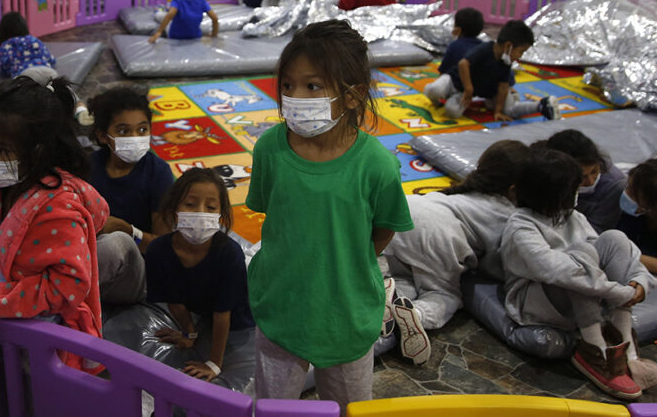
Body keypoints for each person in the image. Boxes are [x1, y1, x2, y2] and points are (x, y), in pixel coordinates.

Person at [246, 20, 413, 407]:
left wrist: (346, 261)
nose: (294, 96)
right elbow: (276, 214)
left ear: (354, 96)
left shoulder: (376, 165)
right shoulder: (270, 148)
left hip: (346, 315)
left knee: (350, 408)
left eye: (312, 86)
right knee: (274, 408)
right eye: (288, 85)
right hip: (281, 308)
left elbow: (383, 229)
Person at [0, 76, 109, 373]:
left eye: (2, 149)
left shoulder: (59, 208)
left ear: (36, 151)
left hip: (46, 343)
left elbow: (69, 284)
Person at [499, 148, 657, 400]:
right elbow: (559, 271)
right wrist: (619, 293)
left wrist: (638, 281)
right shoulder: (521, 226)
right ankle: (595, 351)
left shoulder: (572, 216)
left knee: (615, 238)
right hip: (536, 302)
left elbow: (612, 253)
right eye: (573, 188)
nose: (579, 191)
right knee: (579, 257)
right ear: (554, 193)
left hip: (584, 295)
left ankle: (628, 349)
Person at [382, 140, 529, 365]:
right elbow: (496, 265)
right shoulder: (508, 215)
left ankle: (384, 292)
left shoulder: (461, 191)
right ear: (514, 189)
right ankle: (418, 314)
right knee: (445, 294)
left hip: (405, 209)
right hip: (439, 234)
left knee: (405, 275)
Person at [145, 168, 255, 382]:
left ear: (221, 214)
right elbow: (174, 302)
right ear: (174, 207)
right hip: (203, 310)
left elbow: (223, 315)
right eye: (190, 204)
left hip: (237, 315)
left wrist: (214, 363)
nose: (200, 212)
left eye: (211, 207)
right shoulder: (158, 250)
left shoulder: (229, 254)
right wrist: (189, 334)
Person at [86, 85, 174, 259]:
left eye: (142, 130)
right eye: (123, 131)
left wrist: (128, 231)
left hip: (142, 260)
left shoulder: (158, 173)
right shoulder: (89, 168)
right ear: (103, 136)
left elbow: (163, 246)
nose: (135, 137)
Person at [438, 20, 559, 122]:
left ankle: (541, 106)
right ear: (508, 46)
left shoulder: (506, 62)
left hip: (490, 92)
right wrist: (468, 89)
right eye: (521, 52)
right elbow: (463, 64)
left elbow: (503, 87)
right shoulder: (485, 49)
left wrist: (498, 111)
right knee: (452, 109)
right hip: (468, 88)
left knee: (509, 110)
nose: (520, 56)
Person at [424, 7, 485, 104]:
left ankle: (445, 99)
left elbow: (443, 70)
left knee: (432, 90)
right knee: (452, 108)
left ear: (458, 29)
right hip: (473, 89)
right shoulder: (483, 46)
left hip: (457, 85)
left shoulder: (455, 45)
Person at [0, 12, 58, 78]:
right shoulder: (34, 40)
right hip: (48, 72)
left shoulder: (5, 46)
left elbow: (4, 68)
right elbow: (52, 60)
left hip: (25, 75)